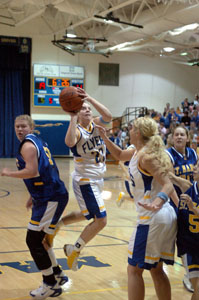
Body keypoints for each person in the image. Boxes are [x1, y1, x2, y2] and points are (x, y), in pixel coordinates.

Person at [97, 116, 177, 300]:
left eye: (132, 128)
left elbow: (168, 185)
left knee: (133, 270)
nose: (129, 130)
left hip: (152, 217)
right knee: (156, 269)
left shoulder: (147, 157)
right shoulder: (137, 151)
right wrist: (106, 139)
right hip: (162, 216)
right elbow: (118, 155)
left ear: (138, 133)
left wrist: (157, 202)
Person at [1, 115, 69, 300]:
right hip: (46, 195)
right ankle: (57, 275)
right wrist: (33, 195)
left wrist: (8, 173)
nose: (19, 129)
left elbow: (32, 171)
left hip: (50, 197)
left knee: (33, 240)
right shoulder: (37, 141)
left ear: (31, 127)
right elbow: (46, 169)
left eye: (23, 126)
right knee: (41, 240)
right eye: (17, 126)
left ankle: (50, 285)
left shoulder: (28, 145)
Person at [52, 89, 112, 271]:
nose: (87, 110)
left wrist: (90, 98)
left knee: (88, 214)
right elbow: (69, 143)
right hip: (86, 180)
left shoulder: (96, 124)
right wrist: (72, 117)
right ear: (77, 113)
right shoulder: (77, 130)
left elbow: (108, 116)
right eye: (83, 108)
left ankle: (58, 224)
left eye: (88, 108)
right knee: (101, 220)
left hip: (97, 178)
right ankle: (74, 249)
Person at [166, 125, 198, 293]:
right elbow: (170, 180)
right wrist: (179, 204)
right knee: (182, 238)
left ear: (187, 137)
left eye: (182, 134)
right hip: (175, 201)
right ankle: (187, 273)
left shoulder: (193, 153)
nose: (179, 137)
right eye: (176, 134)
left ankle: (191, 273)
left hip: (192, 201)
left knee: (192, 237)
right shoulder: (168, 154)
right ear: (172, 138)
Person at [172, 162, 199, 300]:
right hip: (190, 248)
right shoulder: (188, 188)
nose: (194, 169)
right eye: (195, 166)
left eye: (198, 167)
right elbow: (170, 177)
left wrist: (193, 208)